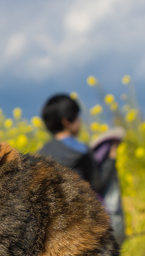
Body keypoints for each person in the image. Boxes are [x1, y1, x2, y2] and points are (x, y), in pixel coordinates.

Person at [38, 94, 125, 244]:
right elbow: (98, 184)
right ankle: (118, 233)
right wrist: (111, 157)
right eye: (77, 117)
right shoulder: (81, 150)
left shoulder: (41, 153)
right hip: (81, 226)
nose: (80, 122)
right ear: (67, 122)